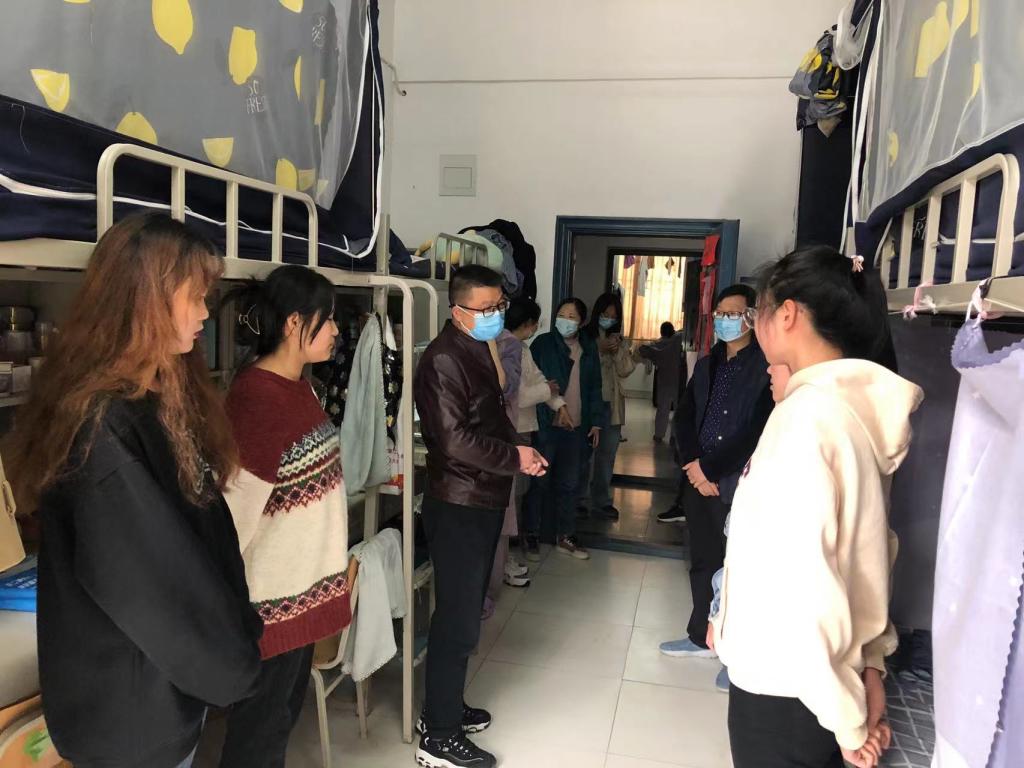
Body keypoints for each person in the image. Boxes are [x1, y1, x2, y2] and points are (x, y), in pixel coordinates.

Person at [8, 213, 262, 768]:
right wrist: (233, 660)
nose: (204, 313)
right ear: (145, 300)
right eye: (195, 297)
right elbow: (154, 584)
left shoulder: (155, 397)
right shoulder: (103, 427)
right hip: (130, 711)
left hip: (158, 691)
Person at [711, 246, 922, 768]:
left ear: (786, 314)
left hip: (790, 687)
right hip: (829, 680)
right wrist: (870, 668)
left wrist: (847, 719)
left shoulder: (804, 424)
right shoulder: (846, 414)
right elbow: (869, 556)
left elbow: (801, 587)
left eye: (757, 310)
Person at [413, 265, 548, 768]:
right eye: (485, 309)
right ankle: (438, 738)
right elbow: (453, 440)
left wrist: (519, 453)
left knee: (468, 611)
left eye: (499, 307)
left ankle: (444, 707)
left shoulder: (477, 346)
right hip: (459, 503)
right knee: (456, 619)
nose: (495, 315)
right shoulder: (443, 359)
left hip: (483, 495)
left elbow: (488, 420)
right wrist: (514, 456)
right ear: (457, 311)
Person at [218, 265, 350, 768]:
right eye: (327, 319)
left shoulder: (299, 387)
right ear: (295, 322)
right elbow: (233, 515)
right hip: (270, 602)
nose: (335, 330)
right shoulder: (257, 398)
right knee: (259, 737)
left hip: (299, 593)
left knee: (277, 725)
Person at [658, 285, 772, 661]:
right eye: (720, 314)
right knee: (703, 560)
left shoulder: (767, 367)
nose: (724, 320)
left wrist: (711, 469)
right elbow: (686, 416)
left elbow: (756, 430)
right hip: (697, 478)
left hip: (737, 481)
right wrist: (694, 465)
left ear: (752, 317)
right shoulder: (707, 364)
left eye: (733, 314)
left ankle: (736, 652)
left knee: (740, 567)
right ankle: (699, 636)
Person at [527, 297, 604, 560]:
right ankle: (531, 534)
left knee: (570, 484)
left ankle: (565, 535)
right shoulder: (543, 344)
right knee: (539, 482)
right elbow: (532, 382)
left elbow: (595, 387)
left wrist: (596, 422)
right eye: (562, 314)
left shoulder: (588, 347)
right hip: (547, 424)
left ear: (581, 322)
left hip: (577, 426)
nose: (565, 320)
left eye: (572, 317)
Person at [505, 297, 564, 563]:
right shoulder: (507, 348)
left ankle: (509, 553)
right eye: (535, 323)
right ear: (527, 323)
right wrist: (546, 391)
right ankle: (506, 555)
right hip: (513, 429)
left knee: (519, 492)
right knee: (512, 495)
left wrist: (559, 404)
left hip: (524, 428)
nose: (536, 327)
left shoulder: (522, 348)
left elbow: (540, 380)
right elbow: (517, 397)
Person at [578, 292, 636, 520]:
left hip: (611, 406)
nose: (608, 319)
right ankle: (580, 500)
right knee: (585, 455)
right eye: (605, 315)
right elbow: (579, 368)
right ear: (597, 314)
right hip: (589, 404)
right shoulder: (585, 337)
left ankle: (602, 501)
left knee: (607, 455)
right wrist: (598, 350)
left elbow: (626, 370)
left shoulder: (618, 339)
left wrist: (619, 349)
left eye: (613, 317)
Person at [637, 321, 685, 442]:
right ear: (673, 330)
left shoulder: (658, 345)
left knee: (663, 409)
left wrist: (657, 342)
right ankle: (675, 437)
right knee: (679, 410)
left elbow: (642, 349)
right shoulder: (678, 339)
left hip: (664, 381)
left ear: (661, 332)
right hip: (679, 381)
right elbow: (685, 331)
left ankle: (658, 435)